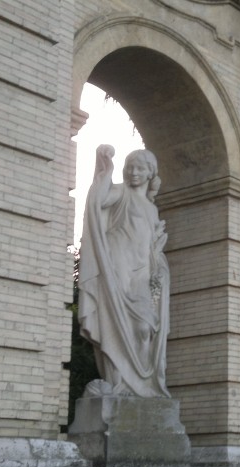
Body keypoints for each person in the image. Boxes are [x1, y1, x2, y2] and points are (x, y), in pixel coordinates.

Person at [77, 145, 170, 397]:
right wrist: (104, 169)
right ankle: (118, 383)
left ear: (150, 172)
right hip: (118, 264)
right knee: (116, 319)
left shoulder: (152, 208)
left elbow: (152, 243)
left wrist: (158, 265)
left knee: (144, 327)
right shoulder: (120, 192)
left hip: (143, 271)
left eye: (139, 168)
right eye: (130, 167)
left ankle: (141, 386)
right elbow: (98, 201)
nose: (133, 172)